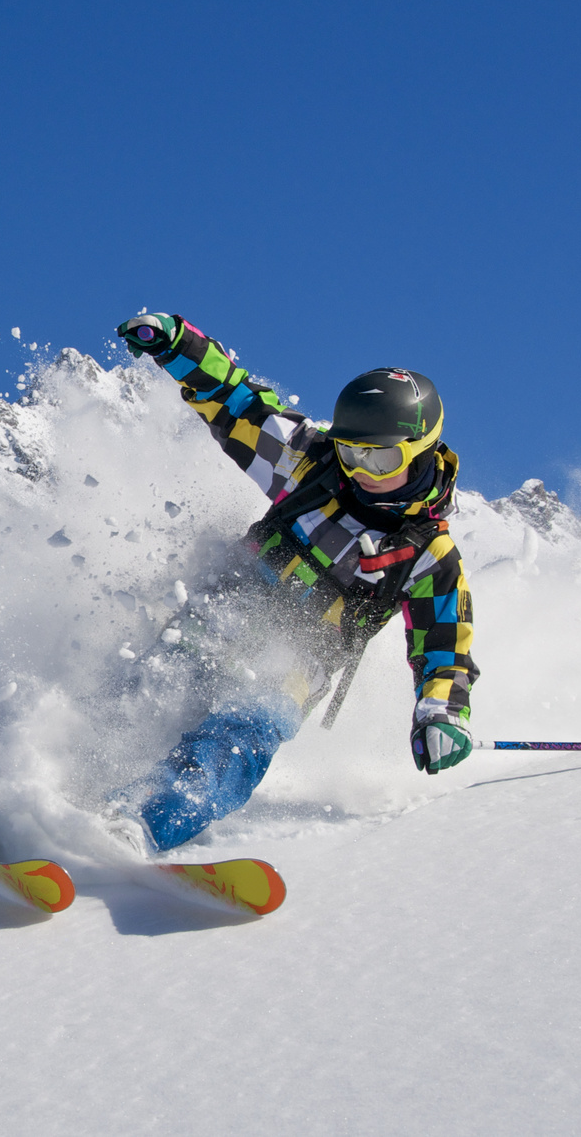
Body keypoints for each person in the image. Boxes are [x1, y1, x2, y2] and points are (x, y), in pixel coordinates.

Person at [108, 313, 478, 853]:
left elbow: (446, 651)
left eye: (383, 457)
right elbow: (234, 400)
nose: (362, 471)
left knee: (249, 727)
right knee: (158, 677)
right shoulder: (310, 461)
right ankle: (59, 776)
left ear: (423, 450)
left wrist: (441, 712)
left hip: (304, 653)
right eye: (352, 451)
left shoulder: (429, 556)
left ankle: (138, 825)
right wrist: (177, 342)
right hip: (233, 599)